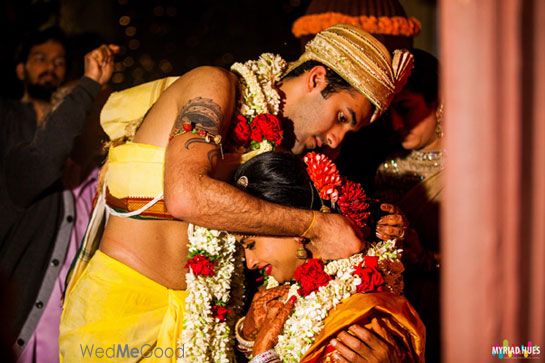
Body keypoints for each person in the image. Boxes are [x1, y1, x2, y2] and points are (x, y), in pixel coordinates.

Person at [60, 24, 412, 362]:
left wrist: (375, 226)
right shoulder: (213, 85)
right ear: (316, 78)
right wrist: (315, 225)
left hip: (200, 332)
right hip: (122, 314)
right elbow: (187, 196)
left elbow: (286, 252)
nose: (336, 139)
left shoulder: (286, 154)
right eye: (342, 117)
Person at [232, 151, 425, 363]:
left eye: (251, 244)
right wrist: (248, 336)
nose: (250, 263)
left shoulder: (362, 315)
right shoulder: (287, 289)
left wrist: (262, 356)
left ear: (293, 226)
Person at [0, 26, 118, 362]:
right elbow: (47, 155)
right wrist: (89, 84)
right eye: (90, 107)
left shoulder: (104, 186)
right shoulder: (21, 171)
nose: (103, 118)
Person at [374, 48, 442, 363]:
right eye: (389, 112)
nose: (396, 124)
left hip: (459, 305)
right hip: (400, 309)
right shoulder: (386, 168)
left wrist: (427, 257)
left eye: (405, 109)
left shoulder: (479, 165)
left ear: (438, 103)